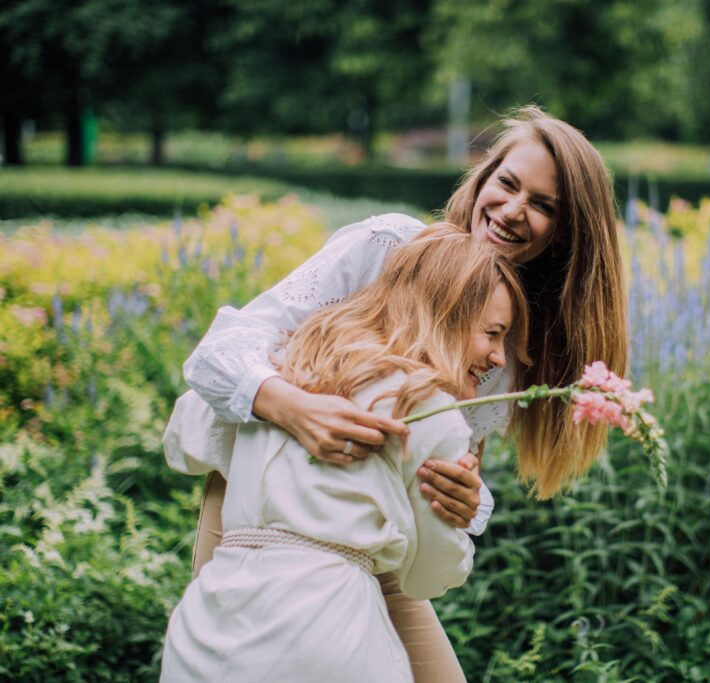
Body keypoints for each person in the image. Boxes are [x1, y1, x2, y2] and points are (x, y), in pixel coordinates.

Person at [179, 105, 628, 681]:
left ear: (568, 234)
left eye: (543, 207)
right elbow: (219, 351)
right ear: (483, 179)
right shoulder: (388, 246)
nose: (513, 211)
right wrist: (293, 407)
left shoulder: (509, 346)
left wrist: (465, 503)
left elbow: (449, 465)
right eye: (508, 184)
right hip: (263, 516)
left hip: (370, 536)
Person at [161, 225, 530, 681]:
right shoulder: (429, 412)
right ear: (447, 315)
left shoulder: (284, 364)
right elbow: (430, 576)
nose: (498, 357)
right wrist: (456, 530)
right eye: (492, 334)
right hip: (329, 630)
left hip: (207, 627)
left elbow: (184, 441)